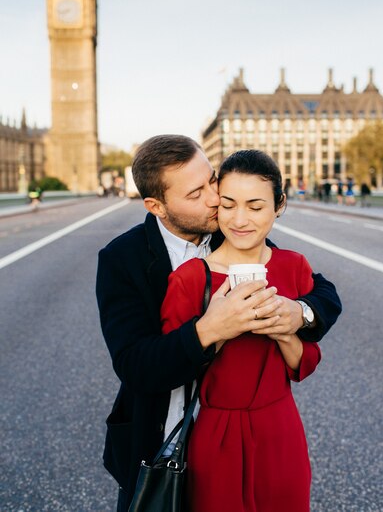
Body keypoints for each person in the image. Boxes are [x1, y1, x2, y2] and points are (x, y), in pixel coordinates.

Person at [96, 135, 342, 512]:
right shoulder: (121, 259)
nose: (216, 200)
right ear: (156, 206)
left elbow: (317, 287)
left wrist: (301, 312)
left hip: (259, 429)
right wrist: (212, 328)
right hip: (163, 433)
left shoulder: (227, 228)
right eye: (196, 194)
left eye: (211, 181)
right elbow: (135, 365)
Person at [160, 150, 323, 511]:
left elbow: (305, 365)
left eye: (255, 206)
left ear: (279, 205)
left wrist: (284, 328)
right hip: (215, 433)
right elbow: (171, 367)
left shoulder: (294, 266)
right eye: (229, 205)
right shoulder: (190, 278)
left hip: (282, 431)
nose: (240, 220)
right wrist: (216, 328)